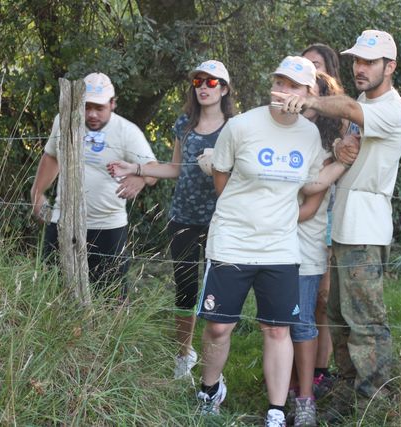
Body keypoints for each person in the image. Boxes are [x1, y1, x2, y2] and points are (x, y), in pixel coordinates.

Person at [193, 56, 353, 427]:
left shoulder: (309, 135)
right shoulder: (242, 125)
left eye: (295, 85)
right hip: (232, 240)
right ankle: (210, 389)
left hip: (280, 247)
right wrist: (245, 212)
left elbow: (310, 183)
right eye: (280, 81)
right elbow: (222, 175)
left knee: (278, 329)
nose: (284, 90)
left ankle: (276, 411)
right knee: (219, 326)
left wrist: (343, 161)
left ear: (309, 94)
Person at [273, 29, 401, 421]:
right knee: (338, 317)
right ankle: (350, 393)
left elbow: (350, 111)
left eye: (369, 62)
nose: (360, 68)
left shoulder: (391, 108)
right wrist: (337, 149)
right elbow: (349, 144)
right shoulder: (367, 101)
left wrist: (311, 99)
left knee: (365, 322)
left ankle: (374, 404)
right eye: (357, 60)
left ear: (391, 67)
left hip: (366, 228)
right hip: (343, 226)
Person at [106, 60, 234, 379]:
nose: (204, 87)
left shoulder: (236, 126)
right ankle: (183, 357)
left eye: (212, 82)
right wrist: (134, 168)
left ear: (225, 89)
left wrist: (218, 165)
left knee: (219, 291)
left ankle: (214, 366)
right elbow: (174, 169)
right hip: (184, 217)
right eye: (198, 82)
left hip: (225, 219)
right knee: (186, 289)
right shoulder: (184, 124)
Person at [30, 72, 157, 299]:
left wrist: (140, 177)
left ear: (112, 104)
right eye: (87, 107)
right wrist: (38, 193)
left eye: (99, 108)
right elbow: (51, 157)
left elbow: (153, 168)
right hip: (62, 221)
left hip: (107, 227)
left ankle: (109, 335)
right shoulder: (63, 121)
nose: (92, 114)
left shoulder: (127, 132)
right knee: (52, 292)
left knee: (110, 295)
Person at [287, 71, 345, 427]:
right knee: (276, 323)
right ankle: (285, 392)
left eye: (310, 92)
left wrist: (265, 213)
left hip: (304, 242)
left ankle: (305, 397)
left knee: (303, 319)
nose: (301, 97)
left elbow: (309, 204)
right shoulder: (278, 133)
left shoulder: (327, 149)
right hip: (273, 243)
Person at [301, 44, 344, 398]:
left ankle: (319, 369)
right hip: (296, 211)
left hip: (329, 209)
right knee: (301, 293)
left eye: (316, 66)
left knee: (323, 296)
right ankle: (297, 368)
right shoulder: (290, 115)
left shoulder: (338, 120)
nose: (309, 72)